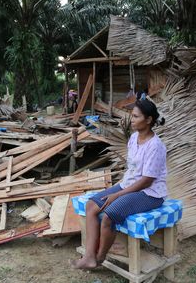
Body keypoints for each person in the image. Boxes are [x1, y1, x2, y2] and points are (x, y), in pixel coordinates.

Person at [71, 98, 167, 269]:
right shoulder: (134, 138)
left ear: (149, 120)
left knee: (109, 215)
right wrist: (120, 189)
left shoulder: (156, 146)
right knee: (91, 206)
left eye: (136, 116)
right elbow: (132, 170)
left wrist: (117, 194)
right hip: (129, 185)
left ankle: (99, 258)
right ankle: (88, 256)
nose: (132, 119)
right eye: (132, 115)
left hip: (151, 193)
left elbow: (146, 181)